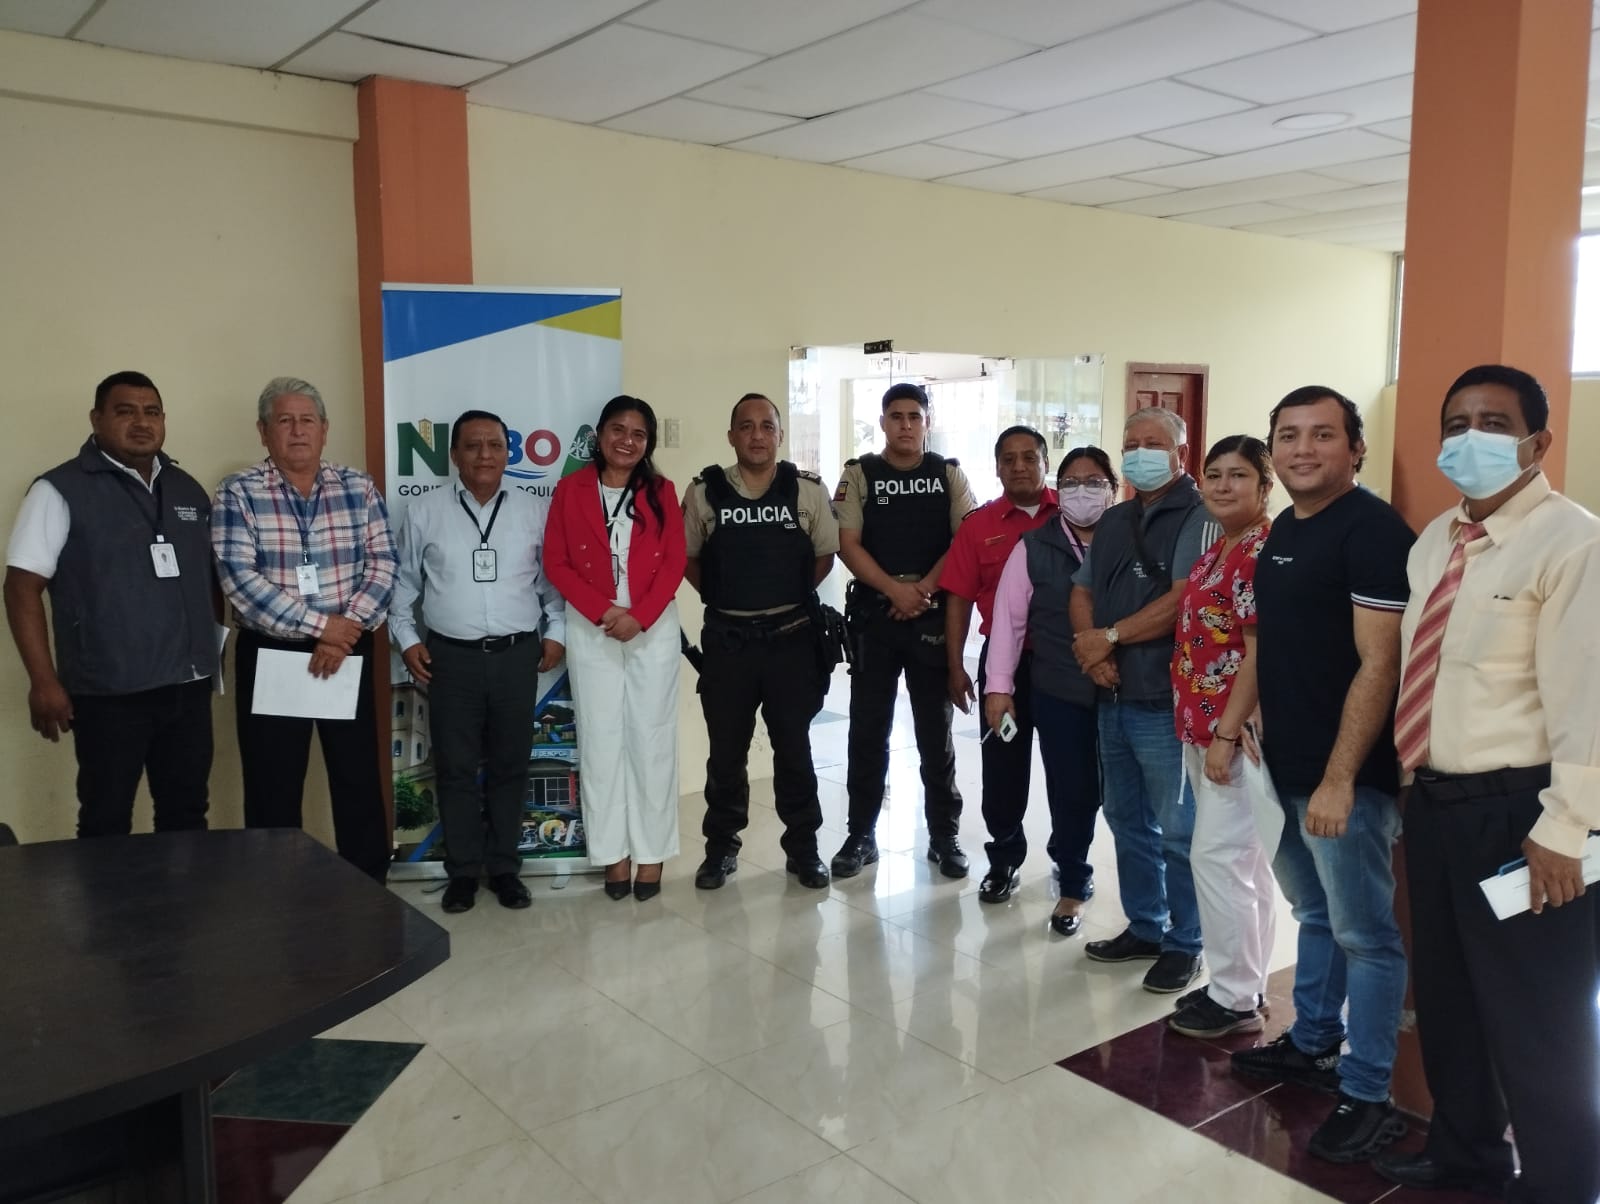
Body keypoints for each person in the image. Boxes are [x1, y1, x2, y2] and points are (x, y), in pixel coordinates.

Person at [1372, 365, 1600, 1203]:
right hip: (1437, 806)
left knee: (1540, 1019)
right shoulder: (1437, 539)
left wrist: (1565, 829)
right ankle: (1466, 1154)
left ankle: (1562, 1185)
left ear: (1538, 443)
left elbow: (1589, 701)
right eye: (1457, 423)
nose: (1471, 438)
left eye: (1495, 423)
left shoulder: (1575, 543)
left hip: (1524, 816)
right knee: (1450, 1000)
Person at [1232, 386, 1415, 1165]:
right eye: (1289, 435)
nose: (1302, 449)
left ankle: (1367, 1093)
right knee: (1314, 913)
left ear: (1356, 448)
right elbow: (1279, 643)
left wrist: (1342, 778)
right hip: (1285, 766)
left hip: (1347, 776)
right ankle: (1311, 1041)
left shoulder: (1372, 532)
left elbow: (1381, 662)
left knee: (1366, 937)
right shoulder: (1285, 527)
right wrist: (1250, 718)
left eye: (1323, 435)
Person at [3, 371, 218, 838]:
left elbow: (209, 583)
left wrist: (210, 656)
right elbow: (21, 587)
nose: (142, 422)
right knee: (106, 819)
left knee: (186, 815)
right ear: (96, 419)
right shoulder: (58, 490)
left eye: (152, 412)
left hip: (187, 689)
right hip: (109, 694)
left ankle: (181, 892)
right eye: (125, 412)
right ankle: (108, 895)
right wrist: (43, 680)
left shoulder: (186, 488)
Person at [213, 376, 397, 883]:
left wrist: (345, 630)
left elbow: (384, 563)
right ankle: (279, 895)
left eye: (307, 420)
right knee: (272, 785)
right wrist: (324, 627)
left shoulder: (358, 487)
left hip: (349, 648)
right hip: (272, 652)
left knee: (357, 777)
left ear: (324, 429)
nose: (297, 431)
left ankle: (370, 887)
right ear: (263, 431)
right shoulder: (238, 491)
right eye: (284, 420)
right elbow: (238, 578)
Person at [389, 410, 567, 914]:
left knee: (511, 765)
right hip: (450, 659)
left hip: (517, 656)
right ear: (454, 455)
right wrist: (407, 640)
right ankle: (464, 872)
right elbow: (402, 587)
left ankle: (505, 868)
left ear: (509, 452)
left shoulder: (535, 510)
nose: (484, 455)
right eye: (472, 446)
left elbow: (553, 585)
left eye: (494, 445)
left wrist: (556, 633)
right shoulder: (424, 512)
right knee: (455, 768)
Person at [1069, 407, 1211, 994]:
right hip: (1112, 694)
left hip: (1163, 698)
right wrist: (1093, 652)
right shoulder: (1116, 517)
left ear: (1181, 454)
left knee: (1178, 830)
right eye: (1131, 444)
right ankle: (1146, 926)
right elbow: (1081, 591)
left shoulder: (1199, 515)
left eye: (1153, 444)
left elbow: (1184, 599)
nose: (1139, 453)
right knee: (1125, 819)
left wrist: (1110, 637)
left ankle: (1186, 941)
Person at [682, 393, 839, 891]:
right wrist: (727, 598)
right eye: (746, 426)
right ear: (731, 435)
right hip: (728, 645)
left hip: (791, 643)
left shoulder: (808, 490)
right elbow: (688, 558)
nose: (756, 435)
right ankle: (720, 849)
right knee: (726, 754)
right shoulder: (704, 492)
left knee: (794, 750)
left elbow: (824, 556)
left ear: (780, 435)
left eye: (767, 426)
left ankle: (804, 849)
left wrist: (783, 598)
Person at [831, 382, 977, 880]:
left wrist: (923, 591)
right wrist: (895, 591)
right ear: (883, 422)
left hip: (931, 617)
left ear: (927, 422)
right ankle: (860, 834)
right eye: (897, 416)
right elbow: (847, 543)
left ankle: (944, 835)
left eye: (915, 416)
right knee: (867, 731)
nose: (906, 425)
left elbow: (965, 541)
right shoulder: (859, 474)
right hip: (876, 617)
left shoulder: (948, 474)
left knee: (935, 733)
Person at [544, 395, 686, 901]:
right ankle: (614, 855)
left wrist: (639, 617)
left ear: (648, 443)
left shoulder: (662, 491)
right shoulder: (571, 489)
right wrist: (604, 612)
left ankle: (651, 854)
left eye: (638, 434)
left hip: (653, 627)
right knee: (600, 740)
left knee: (651, 737)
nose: (627, 441)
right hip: (592, 626)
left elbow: (675, 561)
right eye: (618, 430)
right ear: (600, 435)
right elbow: (556, 561)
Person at [1167, 436, 1278, 1039]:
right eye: (1214, 474)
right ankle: (1245, 983)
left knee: (1217, 857)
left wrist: (1227, 734)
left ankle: (1234, 998)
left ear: (1265, 486)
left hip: (1229, 735)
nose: (1222, 485)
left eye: (1239, 475)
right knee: (1242, 863)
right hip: (1202, 726)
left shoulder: (1259, 551)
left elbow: (1259, 653)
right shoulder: (1219, 548)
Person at [983, 447, 1117, 934]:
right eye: (1072, 482)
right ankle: (1073, 884)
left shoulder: (1130, 538)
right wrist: (999, 689)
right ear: (1058, 491)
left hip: (1125, 690)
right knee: (1071, 789)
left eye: (1094, 482)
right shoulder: (1033, 546)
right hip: (1059, 689)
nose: (1083, 492)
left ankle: (1129, 887)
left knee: (1112, 794)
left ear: (1113, 489)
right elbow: (1008, 623)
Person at [942, 425, 1058, 903]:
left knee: (1070, 766)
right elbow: (958, 598)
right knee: (1003, 765)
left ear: (1046, 462)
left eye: (1029, 457)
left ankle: (1070, 859)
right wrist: (955, 666)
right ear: (996, 467)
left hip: (1064, 662)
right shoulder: (979, 525)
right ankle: (1004, 858)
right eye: (1008, 459)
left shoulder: (1073, 516)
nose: (1019, 467)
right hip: (1003, 668)